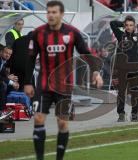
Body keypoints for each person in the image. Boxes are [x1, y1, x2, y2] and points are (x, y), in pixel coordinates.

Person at [24, 1, 103, 160]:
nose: (51, 15)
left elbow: (85, 54)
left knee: (62, 123)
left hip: (64, 86)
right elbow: (30, 59)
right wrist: (27, 82)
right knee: (39, 118)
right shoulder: (37, 33)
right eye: (49, 12)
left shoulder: (72, 33)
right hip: (43, 84)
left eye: (54, 12)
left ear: (61, 14)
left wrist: (96, 72)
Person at [110, 15, 138, 122]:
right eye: (127, 25)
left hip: (134, 70)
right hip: (122, 70)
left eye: (131, 25)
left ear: (134, 26)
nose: (129, 27)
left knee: (135, 93)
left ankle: (134, 115)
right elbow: (112, 24)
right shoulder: (120, 35)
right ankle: (121, 114)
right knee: (121, 93)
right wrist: (122, 23)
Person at [0, 45, 19, 120]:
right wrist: (10, 81)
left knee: (7, 86)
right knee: (2, 85)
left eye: (9, 54)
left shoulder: (4, 62)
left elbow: (2, 75)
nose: (7, 55)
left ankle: (4, 108)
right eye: (6, 53)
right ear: (1, 52)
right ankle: (1, 111)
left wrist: (12, 81)